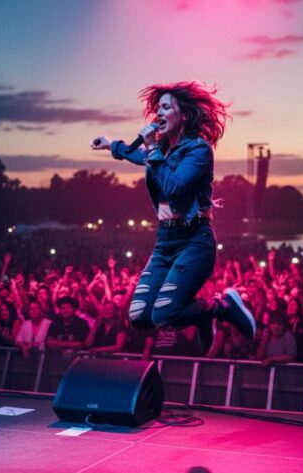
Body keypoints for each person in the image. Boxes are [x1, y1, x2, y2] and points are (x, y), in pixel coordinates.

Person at [90, 81, 256, 353]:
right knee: (139, 317)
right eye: (158, 109)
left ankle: (221, 307)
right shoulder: (162, 150)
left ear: (185, 115)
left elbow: (175, 186)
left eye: (166, 107)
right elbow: (140, 155)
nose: (159, 113)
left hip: (195, 239)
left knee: (164, 315)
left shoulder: (199, 150)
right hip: (165, 239)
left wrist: (154, 149)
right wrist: (112, 145)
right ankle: (200, 314)